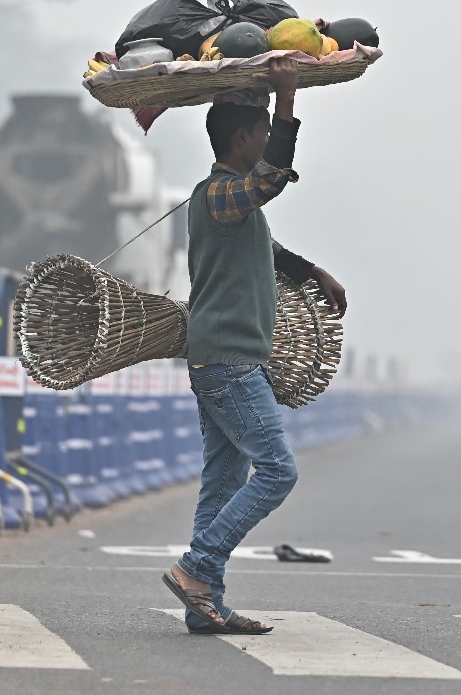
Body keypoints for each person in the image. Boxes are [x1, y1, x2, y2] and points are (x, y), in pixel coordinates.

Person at [161, 58, 346, 635]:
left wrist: (312, 270)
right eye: (263, 130)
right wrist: (287, 100)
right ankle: (198, 568)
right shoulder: (218, 195)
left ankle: (204, 605)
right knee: (277, 472)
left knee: (222, 482)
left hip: (228, 359)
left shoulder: (233, 206)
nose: (267, 139)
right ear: (244, 137)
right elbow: (270, 179)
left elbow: (266, 242)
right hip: (228, 363)